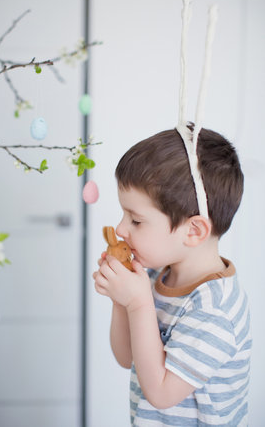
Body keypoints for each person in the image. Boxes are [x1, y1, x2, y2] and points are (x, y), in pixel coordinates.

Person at [93, 126, 251, 426]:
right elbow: (127, 358)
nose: (121, 229)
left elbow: (162, 394)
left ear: (193, 231)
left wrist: (138, 303)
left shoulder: (215, 311)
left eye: (136, 220)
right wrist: (121, 299)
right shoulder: (154, 273)